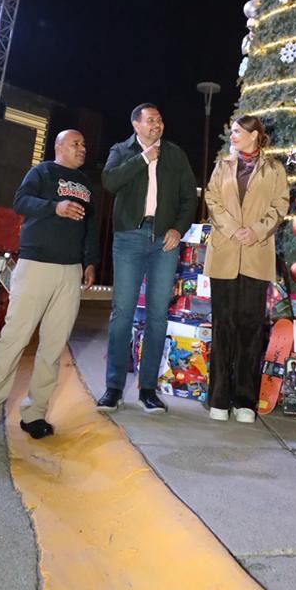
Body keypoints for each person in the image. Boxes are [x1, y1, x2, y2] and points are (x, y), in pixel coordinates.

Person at [0, 130, 98, 447]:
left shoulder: (87, 185)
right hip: (36, 265)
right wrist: (55, 206)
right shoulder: (42, 172)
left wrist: (90, 261)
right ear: (59, 146)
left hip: (70, 271)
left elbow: (90, 225)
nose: (82, 148)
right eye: (76, 143)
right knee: (13, 341)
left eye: (84, 143)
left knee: (53, 347)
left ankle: (34, 414)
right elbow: (20, 201)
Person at [97, 103, 196, 413]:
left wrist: (178, 230)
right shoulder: (122, 150)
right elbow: (109, 182)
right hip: (129, 238)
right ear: (136, 125)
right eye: (150, 120)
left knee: (157, 315)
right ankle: (113, 388)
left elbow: (189, 196)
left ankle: (148, 389)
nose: (157, 125)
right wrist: (142, 159)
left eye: (160, 120)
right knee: (123, 312)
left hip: (164, 241)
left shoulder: (175, 154)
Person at [203, 115, 289, 423]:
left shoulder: (274, 169)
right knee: (223, 325)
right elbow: (212, 200)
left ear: (254, 135)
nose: (233, 135)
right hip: (224, 252)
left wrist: (257, 230)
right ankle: (218, 398)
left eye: (238, 131)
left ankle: (245, 402)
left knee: (251, 328)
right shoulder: (223, 166)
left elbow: (280, 206)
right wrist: (231, 227)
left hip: (256, 253)